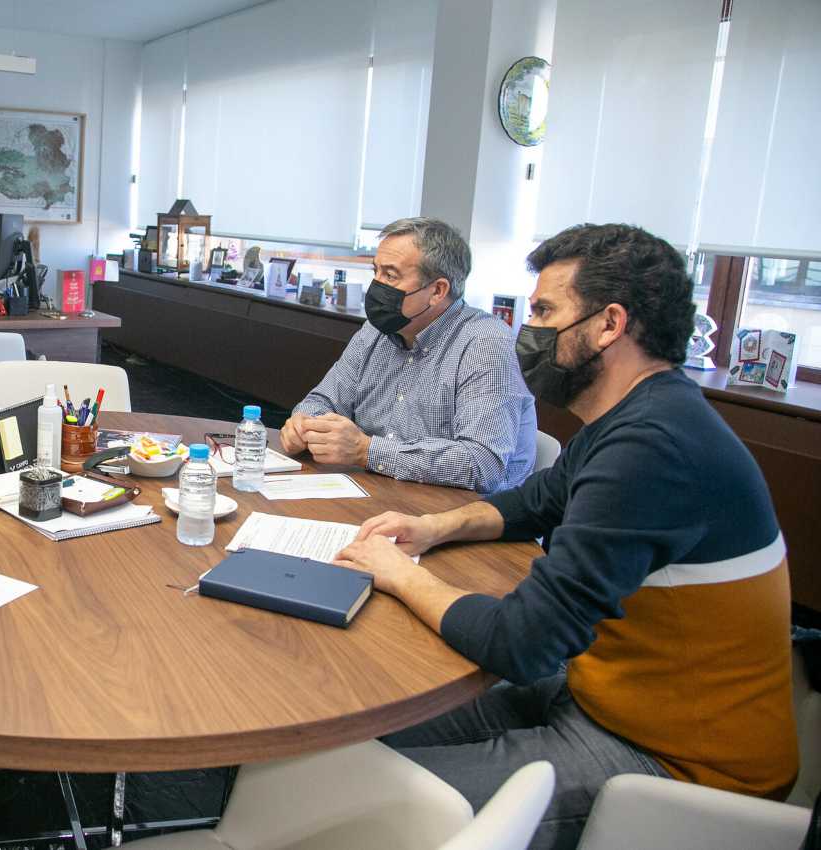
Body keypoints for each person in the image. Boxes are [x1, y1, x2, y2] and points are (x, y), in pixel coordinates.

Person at [335, 224, 796, 850]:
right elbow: (534, 503)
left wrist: (403, 573)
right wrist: (432, 526)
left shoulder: (652, 449)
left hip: (676, 766)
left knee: (360, 805)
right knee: (358, 737)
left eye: (547, 313)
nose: (530, 332)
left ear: (608, 325)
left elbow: (521, 643)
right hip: (596, 697)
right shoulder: (644, 416)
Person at [279, 218, 536, 494]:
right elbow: (323, 400)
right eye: (375, 271)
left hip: (460, 516)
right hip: (378, 493)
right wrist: (304, 426)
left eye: (390, 275)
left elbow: (482, 464)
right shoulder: (375, 331)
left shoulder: (486, 344)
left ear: (438, 291)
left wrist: (367, 451)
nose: (376, 286)